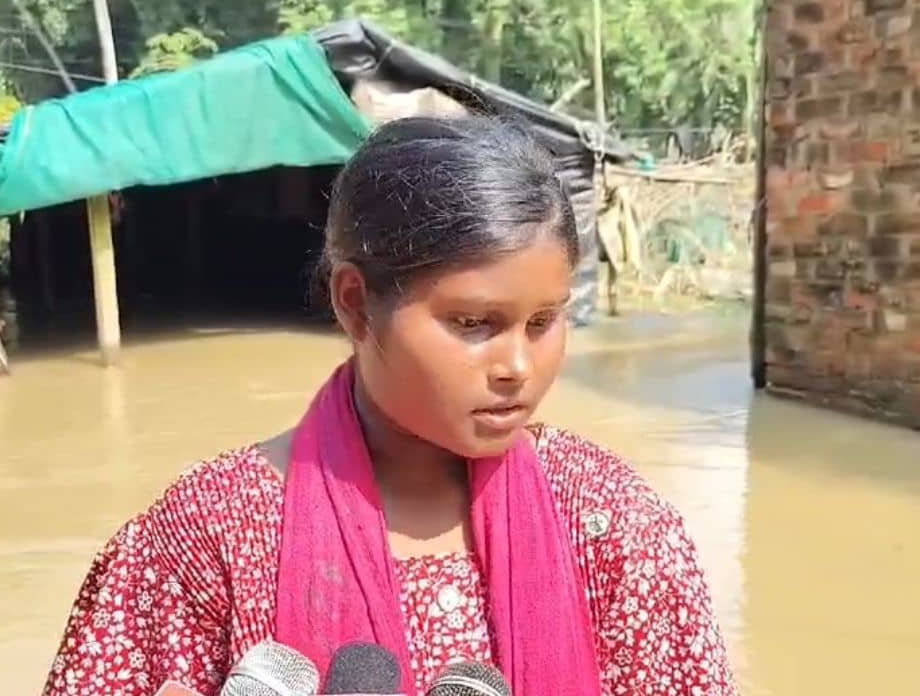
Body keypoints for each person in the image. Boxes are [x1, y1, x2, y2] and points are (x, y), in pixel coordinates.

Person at [42, 116, 737, 696]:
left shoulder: (616, 529)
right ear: (355, 304)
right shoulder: (204, 541)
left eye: (543, 322)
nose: (518, 368)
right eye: (473, 324)